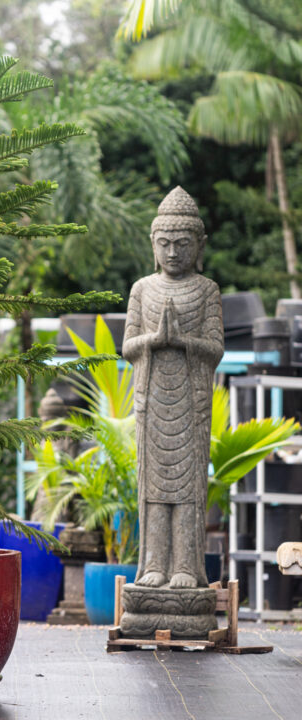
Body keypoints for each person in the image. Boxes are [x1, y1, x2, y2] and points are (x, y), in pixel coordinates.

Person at [122, 187, 223, 589]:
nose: (173, 253)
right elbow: (128, 345)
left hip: (190, 402)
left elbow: (215, 348)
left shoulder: (207, 290)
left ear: (199, 245)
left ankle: (185, 567)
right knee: (153, 490)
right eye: (164, 244)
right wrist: (153, 341)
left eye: (183, 244)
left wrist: (182, 341)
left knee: (187, 490)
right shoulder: (142, 289)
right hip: (152, 402)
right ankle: (152, 568)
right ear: (153, 245)